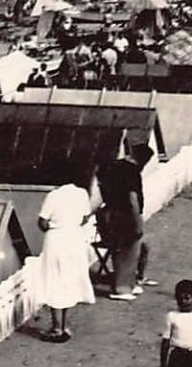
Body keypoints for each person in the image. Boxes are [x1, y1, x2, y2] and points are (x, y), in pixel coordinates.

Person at [35, 158, 97, 343]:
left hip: (57, 240)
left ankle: (56, 328)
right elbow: (85, 217)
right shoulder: (82, 194)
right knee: (68, 280)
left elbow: (43, 221)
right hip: (75, 239)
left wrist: (52, 226)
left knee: (55, 280)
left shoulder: (54, 195)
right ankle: (63, 325)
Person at [96, 143, 151, 301]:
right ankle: (121, 288)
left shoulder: (112, 166)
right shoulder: (132, 172)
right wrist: (138, 221)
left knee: (121, 249)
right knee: (129, 250)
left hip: (110, 213)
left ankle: (128, 284)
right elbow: (132, 198)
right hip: (126, 215)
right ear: (143, 161)